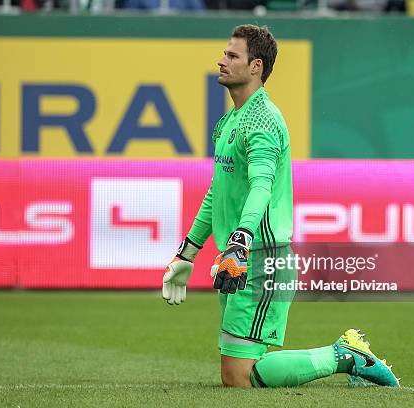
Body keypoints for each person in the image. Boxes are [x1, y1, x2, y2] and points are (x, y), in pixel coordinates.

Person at [162, 24, 400, 389]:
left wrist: (240, 240)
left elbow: (262, 185)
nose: (221, 61)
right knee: (237, 373)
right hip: (238, 258)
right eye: (224, 53)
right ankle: (346, 355)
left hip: (259, 257)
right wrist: (187, 253)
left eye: (232, 55)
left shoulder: (263, 118)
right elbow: (217, 191)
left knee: (238, 377)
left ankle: (347, 355)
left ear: (255, 66)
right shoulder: (231, 120)